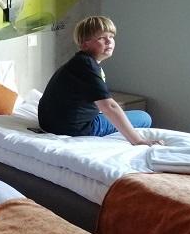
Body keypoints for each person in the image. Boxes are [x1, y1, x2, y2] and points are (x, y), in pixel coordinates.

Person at [38, 16, 163, 146]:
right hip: (74, 128)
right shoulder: (87, 65)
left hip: (49, 124)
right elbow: (109, 106)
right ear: (84, 44)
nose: (109, 41)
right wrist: (138, 141)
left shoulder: (79, 62)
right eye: (102, 38)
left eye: (111, 36)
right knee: (144, 117)